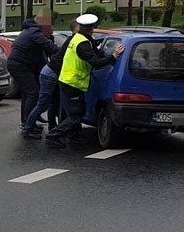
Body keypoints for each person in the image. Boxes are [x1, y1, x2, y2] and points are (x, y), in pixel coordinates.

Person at [46, 13, 125, 148]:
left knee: (75, 112)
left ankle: (73, 136)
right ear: (91, 28)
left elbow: (91, 51)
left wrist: (97, 48)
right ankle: (53, 136)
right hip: (73, 82)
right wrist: (113, 56)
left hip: (68, 80)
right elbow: (96, 62)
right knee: (76, 115)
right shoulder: (82, 44)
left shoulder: (78, 38)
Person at [21, 21, 77, 139]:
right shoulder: (72, 41)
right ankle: (27, 128)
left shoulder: (59, 39)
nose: (52, 29)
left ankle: (52, 127)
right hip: (50, 74)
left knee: (53, 102)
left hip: (52, 73)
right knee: (42, 104)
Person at [8, 17, 60, 135]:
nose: (53, 28)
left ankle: (28, 121)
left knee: (27, 94)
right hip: (19, 65)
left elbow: (44, 55)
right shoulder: (35, 33)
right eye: (50, 26)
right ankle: (27, 125)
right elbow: (51, 48)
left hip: (20, 64)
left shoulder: (30, 30)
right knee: (33, 93)